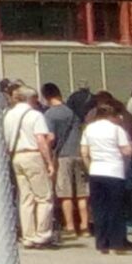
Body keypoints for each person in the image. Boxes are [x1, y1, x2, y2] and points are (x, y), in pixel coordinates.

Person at [1, 82, 59, 250]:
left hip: (16, 156)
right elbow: (41, 140)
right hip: (33, 154)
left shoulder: (8, 115)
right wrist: (49, 162)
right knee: (44, 197)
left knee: (26, 198)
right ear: (30, 98)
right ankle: (42, 234)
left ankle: (28, 235)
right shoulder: (35, 115)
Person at [81, 93, 132, 254]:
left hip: (96, 171)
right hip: (114, 171)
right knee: (115, 209)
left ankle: (102, 243)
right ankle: (116, 244)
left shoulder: (89, 129)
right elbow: (126, 151)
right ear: (111, 115)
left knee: (99, 209)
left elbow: (84, 152)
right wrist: (129, 147)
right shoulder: (116, 129)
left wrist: (90, 167)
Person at [41, 84, 87, 239]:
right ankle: (85, 226)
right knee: (81, 193)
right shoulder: (72, 112)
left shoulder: (50, 114)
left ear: (46, 96)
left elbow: (51, 137)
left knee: (65, 193)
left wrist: (47, 152)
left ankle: (70, 226)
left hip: (63, 155)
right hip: (78, 153)